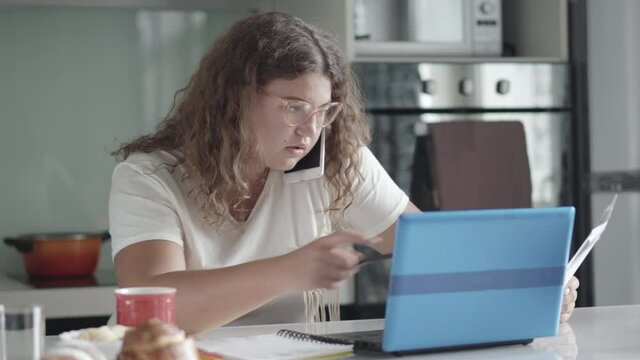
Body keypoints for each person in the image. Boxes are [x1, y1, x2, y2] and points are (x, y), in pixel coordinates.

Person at [109, 12, 579, 334]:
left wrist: (528, 285)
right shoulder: (149, 177)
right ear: (235, 97)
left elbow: (432, 254)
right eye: (294, 108)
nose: (311, 130)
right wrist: (292, 269)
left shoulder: (333, 159)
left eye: (324, 111)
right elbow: (151, 311)